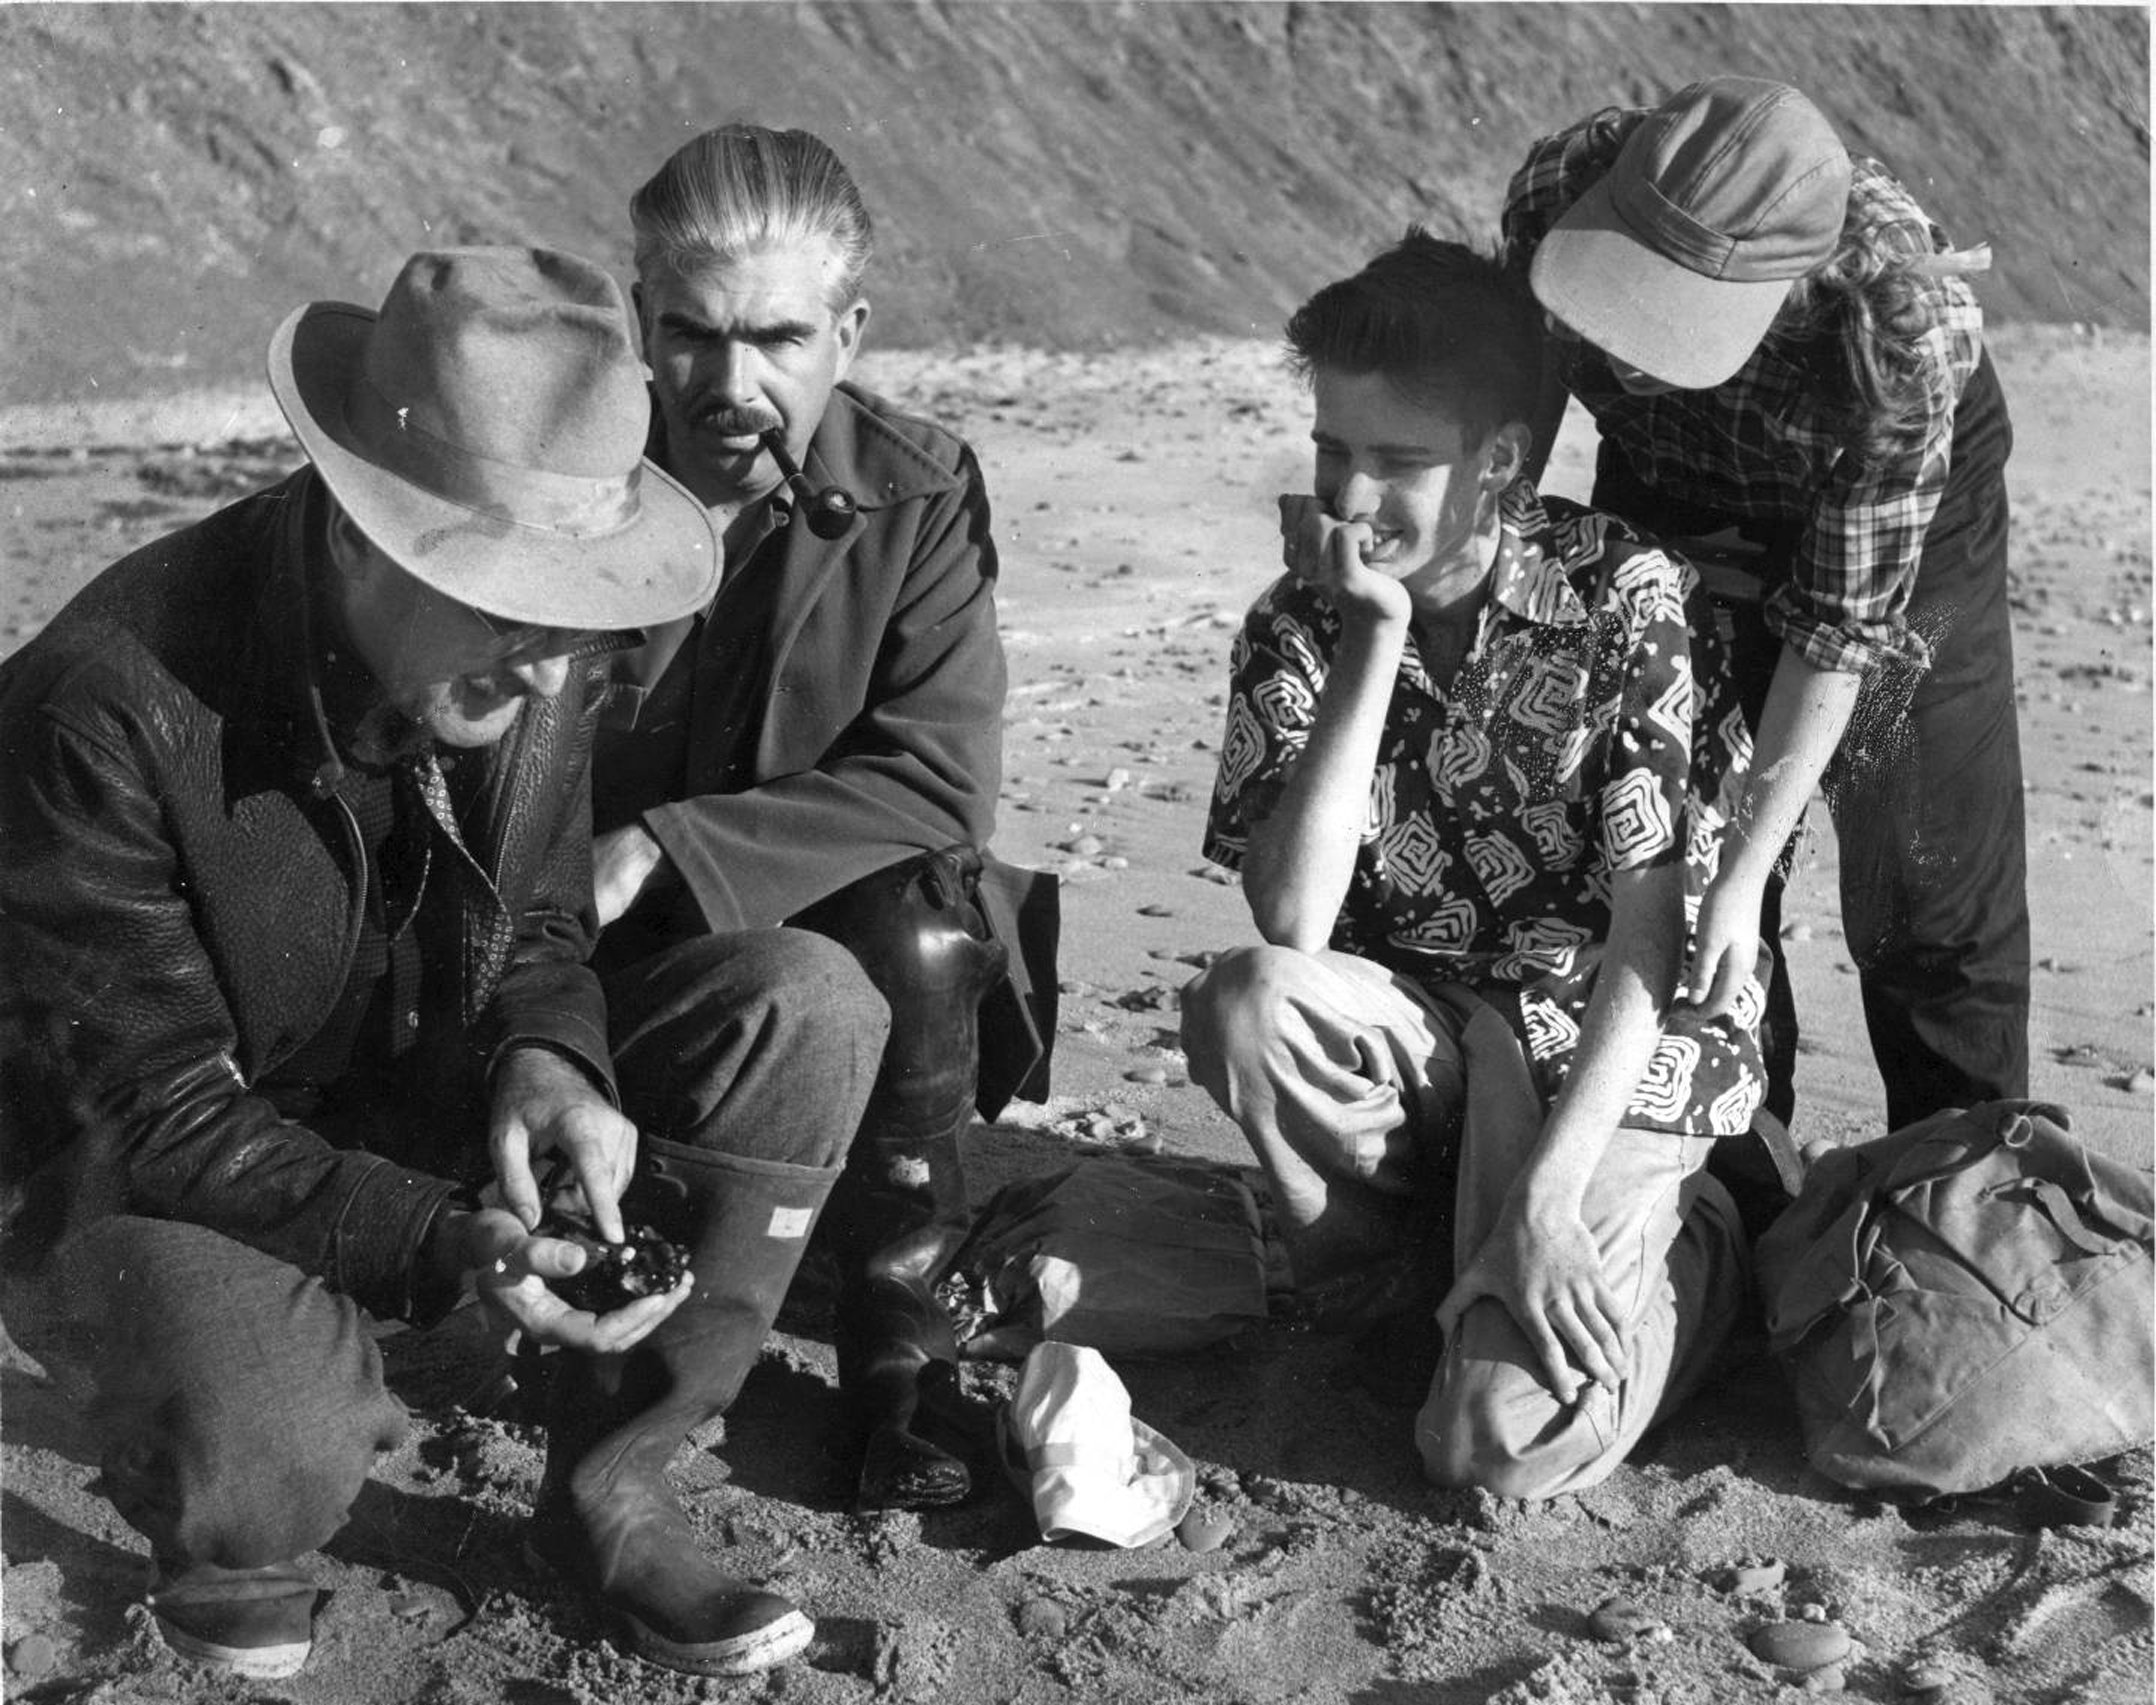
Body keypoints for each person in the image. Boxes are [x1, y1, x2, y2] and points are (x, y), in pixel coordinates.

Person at [0, 248, 885, 1681]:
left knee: (806, 1006)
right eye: (512, 605)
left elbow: (539, 925)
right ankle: (240, 1494)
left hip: (408, 1097)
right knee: (269, 1457)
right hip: (145, 1164)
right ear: (362, 532)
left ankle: (609, 1485)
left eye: (574, 614)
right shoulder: (100, 707)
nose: (554, 672)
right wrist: (438, 1240)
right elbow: (144, 1111)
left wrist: (553, 1057)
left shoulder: (529, 657)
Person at [1179, 233, 1761, 1499]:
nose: (1349, 497)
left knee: (1492, 1443)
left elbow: (1649, 943)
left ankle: (1696, 1252)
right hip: (1428, 1038)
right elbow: (1289, 918)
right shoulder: (1298, 620)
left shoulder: (1623, 595)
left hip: (1598, 1053)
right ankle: (1388, 1279)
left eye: (1395, 463)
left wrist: (1549, 1204)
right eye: (1334, 451)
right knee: (1245, 1002)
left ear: (1496, 459)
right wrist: (1368, 639)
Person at [587, 123, 1055, 1519]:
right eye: (692, 336)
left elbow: (937, 779)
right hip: (560, 938)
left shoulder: (916, 493)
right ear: (638, 322)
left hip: (805, 953)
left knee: (925, 922)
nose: (733, 385)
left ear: (848, 333)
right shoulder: (554, 476)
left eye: (780, 339)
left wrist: (671, 845)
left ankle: (898, 1333)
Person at [1502, 76, 2025, 1138]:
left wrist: (1745, 871)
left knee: (1920, 881)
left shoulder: (1902, 328)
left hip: (1893, 521)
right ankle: (1732, 1172)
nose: (1618, 353)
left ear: (1785, 290)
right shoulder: (1560, 190)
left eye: (1662, 321)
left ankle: (1960, 1197)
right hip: (1666, 485)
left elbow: (1833, 634)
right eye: (1617, 297)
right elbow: (1513, 425)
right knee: (1661, 839)